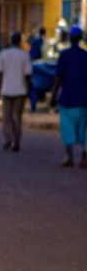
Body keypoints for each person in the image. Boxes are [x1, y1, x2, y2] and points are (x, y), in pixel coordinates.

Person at [51, 27, 87, 167]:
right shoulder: (85, 55)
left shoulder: (65, 55)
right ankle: (84, 156)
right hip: (83, 98)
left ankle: (69, 156)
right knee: (83, 129)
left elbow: (59, 77)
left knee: (67, 128)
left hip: (67, 98)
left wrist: (53, 96)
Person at [0, 32, 32, 152]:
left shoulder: (3, 54)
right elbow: (28, 75)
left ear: (11, 40)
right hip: (20, 90)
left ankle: (8, 139)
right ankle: (16, 141)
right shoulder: (24, 55)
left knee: (7, 117)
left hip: (6, 89)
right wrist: (30, 89)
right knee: (17, 117)